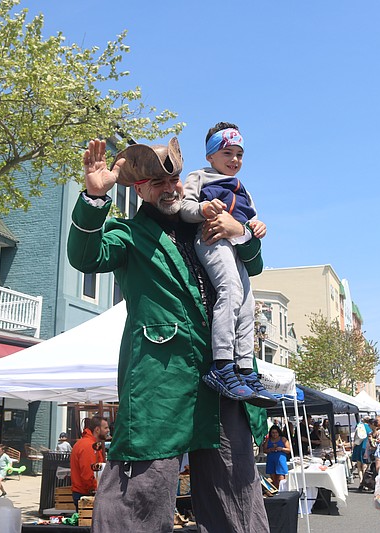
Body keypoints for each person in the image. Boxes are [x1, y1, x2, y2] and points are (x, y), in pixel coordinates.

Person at [68, 138, 269, 532]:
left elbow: (254, 265)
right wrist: (94, 197)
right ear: (139, 189)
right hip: (162, 384)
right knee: (141, 493)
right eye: (157, 182)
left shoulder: (206, 220)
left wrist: (242, 231)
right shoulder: (128, 234)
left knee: (238, 497)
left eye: (174, 178)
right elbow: (86, 256)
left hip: (223, 382)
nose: (170, 188)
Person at [180, 122, 274, 408]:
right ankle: (222, 365)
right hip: (212, 240)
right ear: (210, 156)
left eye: (239, 155)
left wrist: (256, 227)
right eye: (227, 153)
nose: (234, 160)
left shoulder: (244, 188)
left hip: (235, 246)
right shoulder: (199, 176)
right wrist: (203, 209)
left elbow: (251, 220)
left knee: (247, 303)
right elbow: (185, 208)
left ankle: (245, 369)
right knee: (230, 291)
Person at [69, 416, 109, 511]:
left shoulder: (88, 443)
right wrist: (96, 491)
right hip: (86, 495)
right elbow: (89, 474)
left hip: (84, 493)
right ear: (97, 430)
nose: (108, 430)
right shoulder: (89, 446)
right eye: (106, 428)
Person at [351, 416, 373, 481]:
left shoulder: (359, 426)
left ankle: (361, 480)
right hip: (366, 447)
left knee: (359, 465)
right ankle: (364, 481)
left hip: (358, 446)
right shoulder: (369, 428)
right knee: (365, 465)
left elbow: (355, 437)